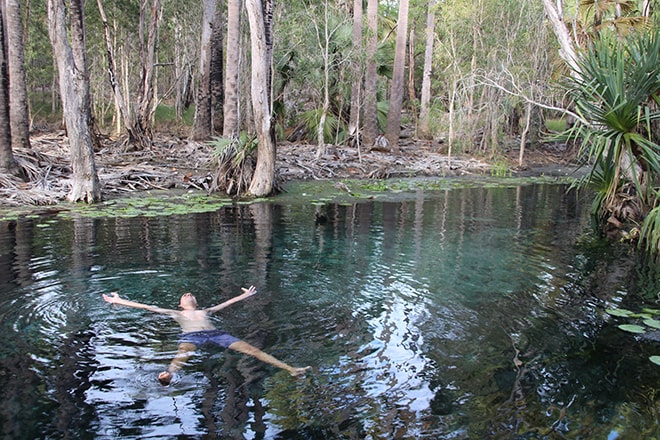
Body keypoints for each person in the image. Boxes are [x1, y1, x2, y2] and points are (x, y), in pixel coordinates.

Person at [102, 286, 310, 385]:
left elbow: (227, 303)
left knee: (253, 350)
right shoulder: (176, 313)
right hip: (191, 337)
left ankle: (291, 369)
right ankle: (169, 375)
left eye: (190, 295)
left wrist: (245, 295)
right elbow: (147, 307)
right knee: (181, 354)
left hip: (216, 333)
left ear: (196, 303)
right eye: (184, 296)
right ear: (181, 305)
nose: (187, 294)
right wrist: (119, 301)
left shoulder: (206, 311)